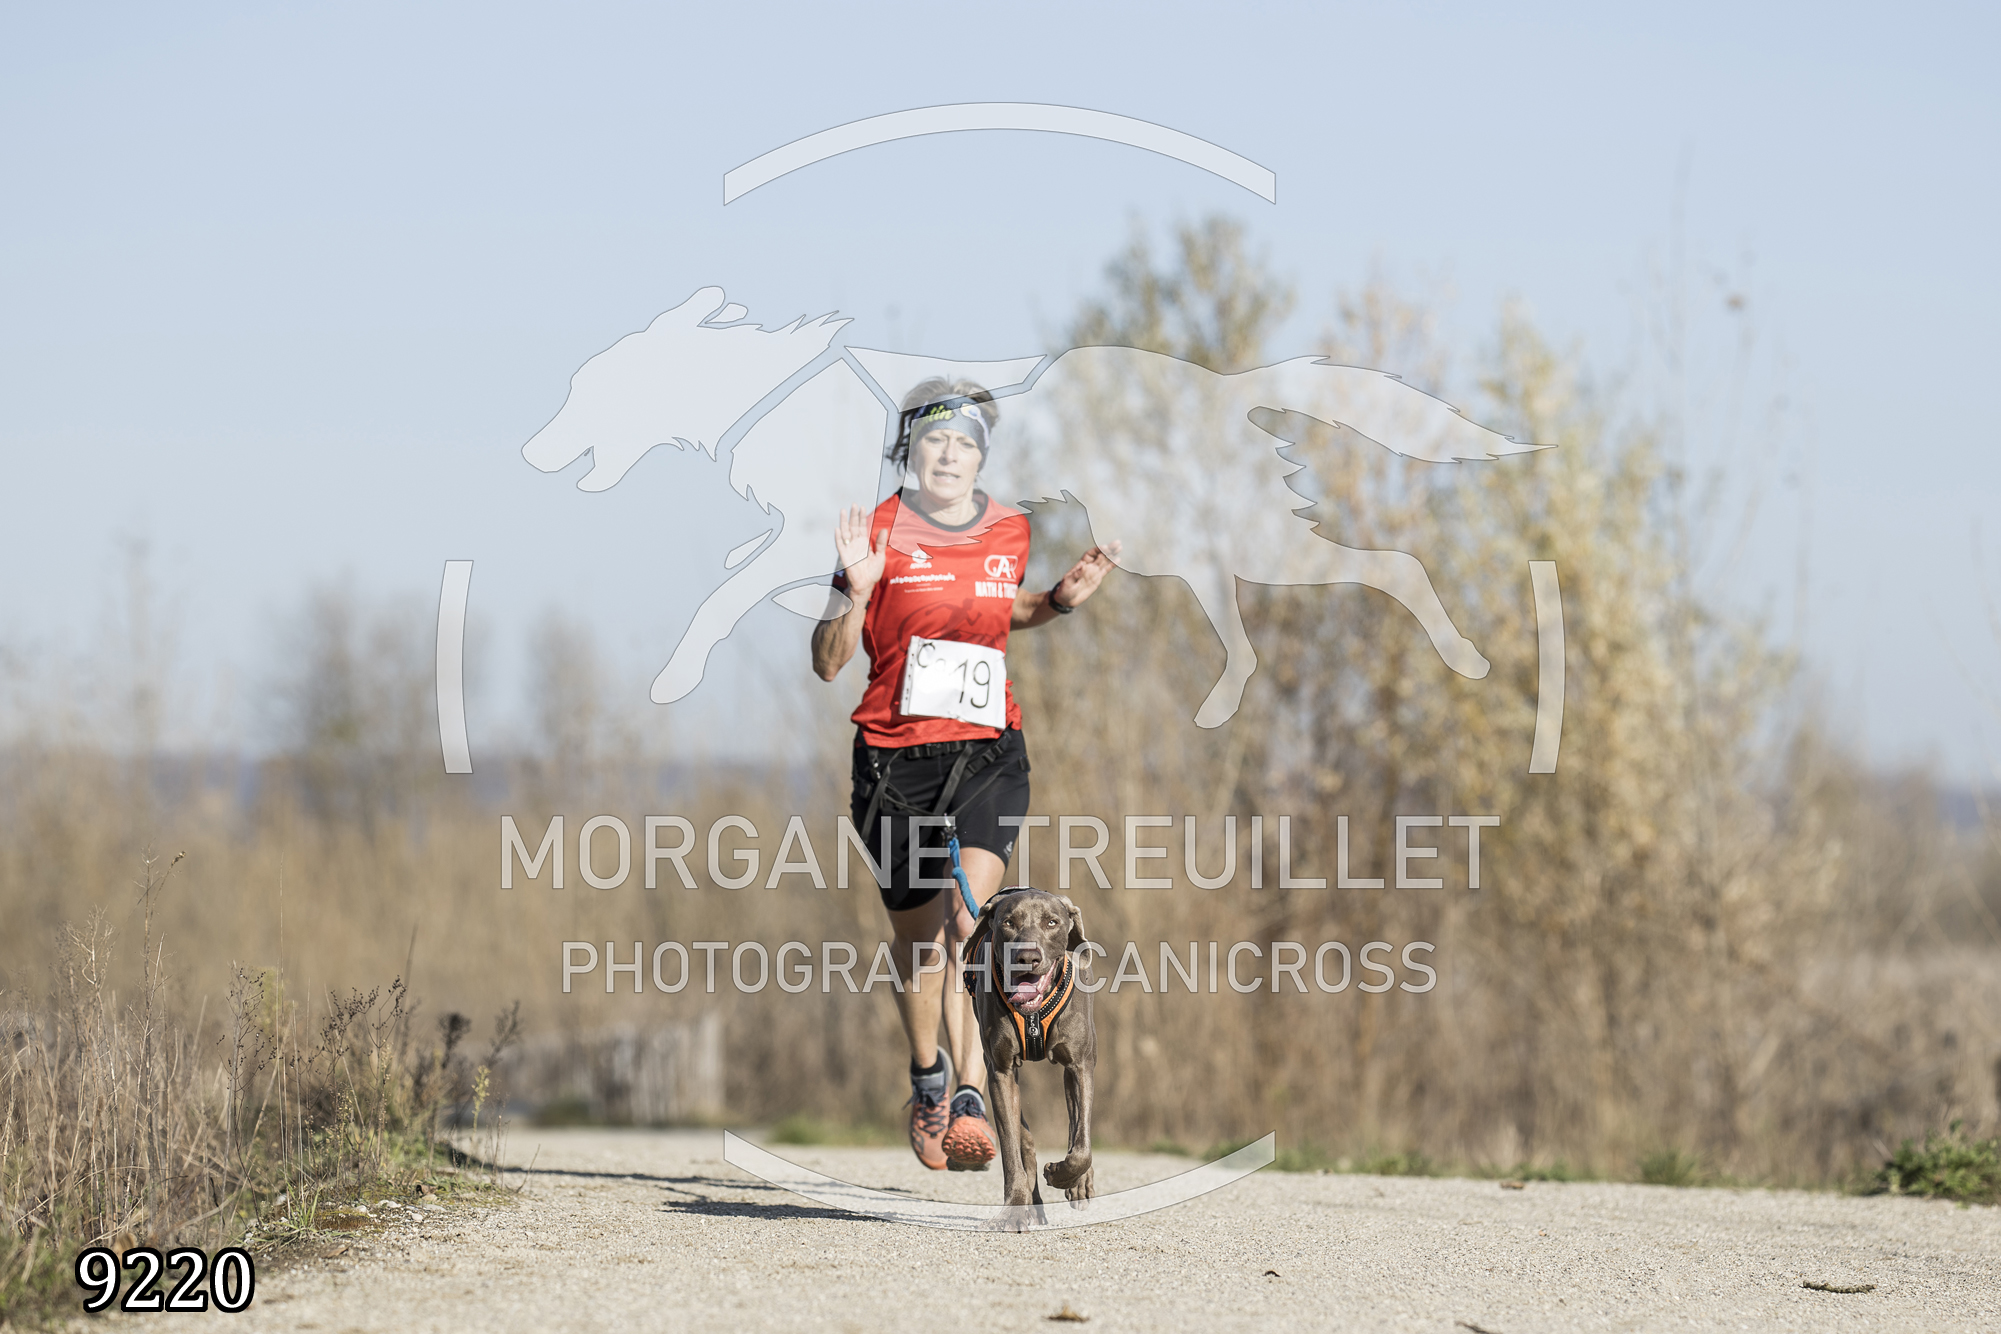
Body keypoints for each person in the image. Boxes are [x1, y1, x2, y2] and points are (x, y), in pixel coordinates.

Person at [811, 378, 1118, 1171]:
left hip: (987, 755)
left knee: (967, 925)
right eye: (936, 440)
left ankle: (973, 1098)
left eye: (965, 443)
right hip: (894, 764)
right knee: (918, 943)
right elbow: (827, 662)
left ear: (981, 455)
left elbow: (999, 609)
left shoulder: (1008, 528)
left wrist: (1056, 601)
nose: (950, 455)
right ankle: (928, 1080)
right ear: (909, 450)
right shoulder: (876, 532)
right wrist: (856, 591)